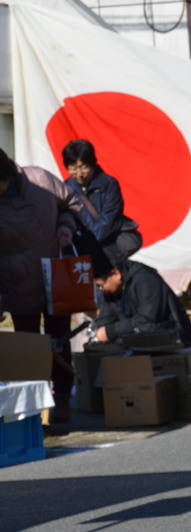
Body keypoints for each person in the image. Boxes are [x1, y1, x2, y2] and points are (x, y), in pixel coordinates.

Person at [0, 147, 83, 422]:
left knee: (60, 342)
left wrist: (65, 227)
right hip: (16, 284)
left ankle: (62, 401)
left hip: (54, 278)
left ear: (7, 175)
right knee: (28, 349)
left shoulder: (41, 181)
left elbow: (72, 203)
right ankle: (32, 411)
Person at [62, 139, 142, 266]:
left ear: (93, 164)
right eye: (73, 169)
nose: (79, 174)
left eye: (84, 167)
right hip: (81, 252)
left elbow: (108, 220)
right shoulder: (65, 188)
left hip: (107, 249)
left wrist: (88, 244)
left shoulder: (110, 185)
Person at [93, 258, 191, 348]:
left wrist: (111, 331)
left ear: (116, 274)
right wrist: (99, 332)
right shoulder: (112, 291)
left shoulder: (146, 279)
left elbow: (148, 318)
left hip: (172, 335)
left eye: (101, 286)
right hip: (139, 339)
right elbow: (105, 319)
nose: (100, 290)